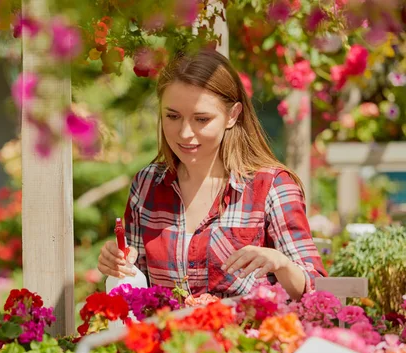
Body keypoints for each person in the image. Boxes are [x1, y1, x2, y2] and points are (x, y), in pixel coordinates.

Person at [97, 48, 326, 300]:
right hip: (167, 338)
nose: (185, 132)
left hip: (243, 337)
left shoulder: (272, 185)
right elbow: (135, 285)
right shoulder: (147, 184)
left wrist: (280, 262)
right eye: (172, 116)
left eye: (201, 119)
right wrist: (117, 264)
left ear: (232, 115)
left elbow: (314, 286)